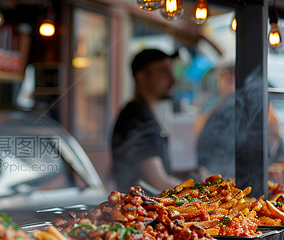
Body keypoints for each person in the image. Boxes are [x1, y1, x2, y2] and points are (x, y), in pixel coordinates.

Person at [111, 48, 183, 194]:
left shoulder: (142, 114)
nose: (173, 79)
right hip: (143, 212)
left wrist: (187, 173)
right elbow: (157, 181)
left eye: (171, 71)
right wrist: (202, 193)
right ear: (142, 78)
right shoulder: (137, 118)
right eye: (164, 72)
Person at [196, 59, 281, 178]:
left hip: (233, 179)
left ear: (226, 76)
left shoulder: (230, 105)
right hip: (240, 175)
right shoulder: (259, 100)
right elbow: (274, 141)